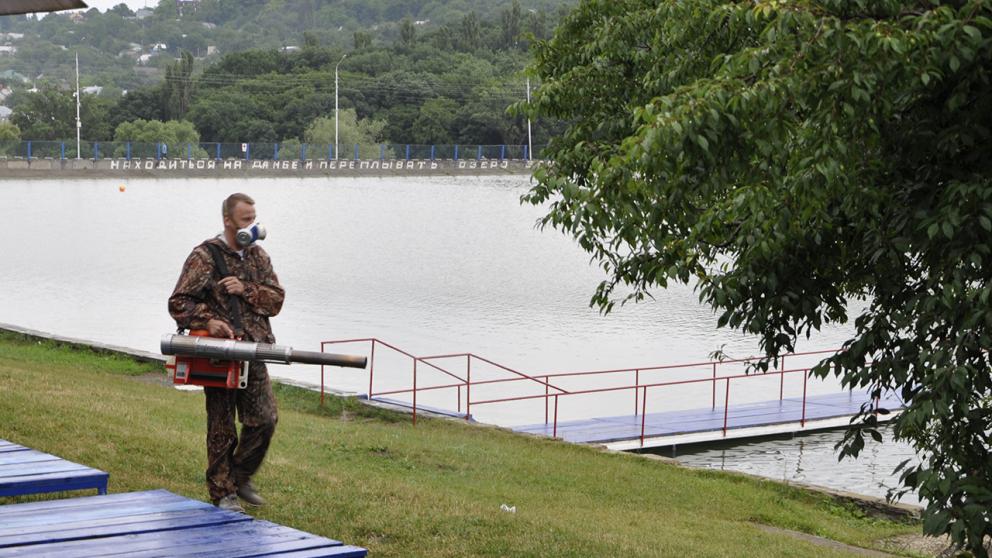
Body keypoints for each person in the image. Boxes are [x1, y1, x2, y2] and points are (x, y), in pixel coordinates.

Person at [168, 193, 284, 513]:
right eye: (246, 219)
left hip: (255, 349)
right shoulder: (205, 256)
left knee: (265, 419)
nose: (252, 224)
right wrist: (211, 321)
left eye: (254, 218)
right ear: (228, 221)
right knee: (221, 426)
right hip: (220, 354)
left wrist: (245, 289)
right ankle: (223, 492)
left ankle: (240, 475)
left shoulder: (258, 257)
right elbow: (179, 303)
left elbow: (276, 301)